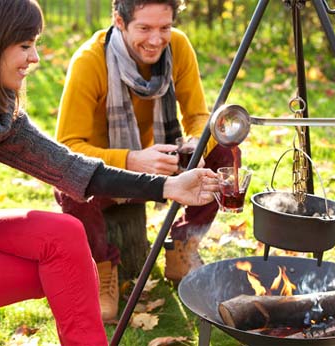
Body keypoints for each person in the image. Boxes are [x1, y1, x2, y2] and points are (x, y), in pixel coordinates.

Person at [0, 1, 219, 345]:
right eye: (25, 46)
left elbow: (69, 168)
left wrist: (170, 186)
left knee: (66, 235)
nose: (35, 59)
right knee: (68, 271)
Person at [54, 0, 234, 321]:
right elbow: (67, 148)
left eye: (164, 27)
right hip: (106, 176)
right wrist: (132, 160)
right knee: (69, 182)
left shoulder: (177, 46)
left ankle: (184, 244)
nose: (156, 40)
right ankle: (102, 268)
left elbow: (197, 116)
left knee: (224, 148)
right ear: (119, 22)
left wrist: (196, 142)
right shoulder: (90, 61)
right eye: (145, 28)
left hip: (160, 165)